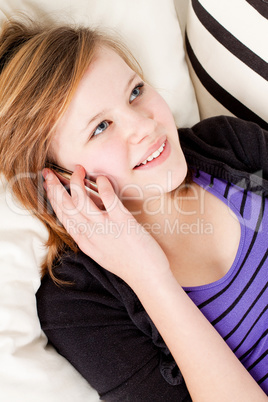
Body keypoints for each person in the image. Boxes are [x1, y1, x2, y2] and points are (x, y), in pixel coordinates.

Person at [0, 17, 267, 402]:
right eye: (100, 127)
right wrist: (150, 278)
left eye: (135, 91)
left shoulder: (227, 144)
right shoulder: (80, 303)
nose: (144, 124)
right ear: (56, 180)